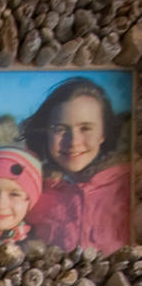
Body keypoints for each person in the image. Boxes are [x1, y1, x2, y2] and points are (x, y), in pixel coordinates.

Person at [21, 76, 132, 252]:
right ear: (46, 133)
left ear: (104, 133)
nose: (73, 141)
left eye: (85, 128)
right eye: (60, 128)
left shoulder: (131, 184)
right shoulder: (29, 190)